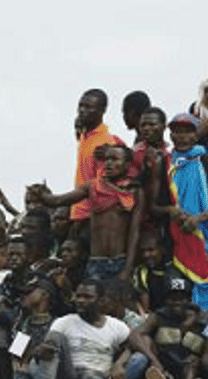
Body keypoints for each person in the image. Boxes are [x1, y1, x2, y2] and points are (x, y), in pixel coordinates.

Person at [31, 278, 150, 379]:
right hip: (70, 377)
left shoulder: (115, 325)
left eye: (87, 297)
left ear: (100, 300)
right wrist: (40, 351)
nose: (81, 301)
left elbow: (135, 343)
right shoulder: (64, 322)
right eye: (78, 296)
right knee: (53, 342)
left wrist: (119, 364)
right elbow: (47, 352)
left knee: (139, 359)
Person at [150, 112, 208, 311]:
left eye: (187, 132)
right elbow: (152, 206)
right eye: (177, 132)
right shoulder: (163, 163)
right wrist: (171, 210)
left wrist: (198, 218)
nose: (182, 137)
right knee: (178, 296)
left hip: (205, 238)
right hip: (176, 240)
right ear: (171, 136)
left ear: (196, 136)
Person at [31, 144, 141, 282]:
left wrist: (128, 267)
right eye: (106, 159)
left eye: (114, 159)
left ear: (127, 164)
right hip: (96, 261)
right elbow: (60, 200)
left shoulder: (134, 191)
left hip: (120, 260)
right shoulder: (93, 186)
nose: (108, 163)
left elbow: (134, 233)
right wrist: (42, 195)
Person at [70, 89, 121, 226]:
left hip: (91, 219)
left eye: (88, 107)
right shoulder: (85, 136)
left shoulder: (104, 143)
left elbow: (102, 189)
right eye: (80, 106)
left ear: (102, 111)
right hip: (78, 213)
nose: (82, 110)